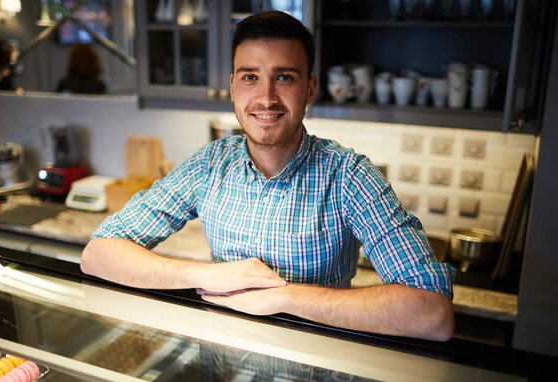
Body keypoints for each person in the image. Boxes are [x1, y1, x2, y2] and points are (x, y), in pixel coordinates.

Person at [81, 11, 455, 341]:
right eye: (250, 77)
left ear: (309, 89)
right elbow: (98, 255)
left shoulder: (349, 176)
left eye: (284, 78)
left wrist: (286, 295)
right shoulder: (209, 165)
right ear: (231, 87)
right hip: (224, 368)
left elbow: (431, 313)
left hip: (317, 377)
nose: (266, 97)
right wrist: (208, 276)